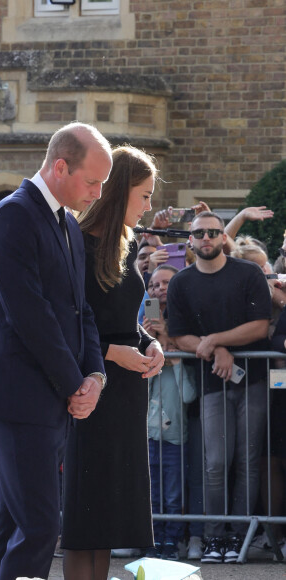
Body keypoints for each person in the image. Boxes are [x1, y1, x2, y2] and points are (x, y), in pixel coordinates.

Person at [0, 122, 110, 580]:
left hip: (53, 396)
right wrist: (76, 382)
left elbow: (82, 312)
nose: (96, 193)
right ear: (60, 166)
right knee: (37, 526)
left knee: (14, 523)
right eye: (91, 182)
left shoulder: (69, 224)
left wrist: (95, 377)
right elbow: (27, 315)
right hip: (22, 397)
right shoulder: (13, 214)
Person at [61, 145, 164, 579]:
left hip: (125, 391)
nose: (148, 206)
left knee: (108, 516)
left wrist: (148, 344)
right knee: (86, 514)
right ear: (119, 191)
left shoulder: (124, 243)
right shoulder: (76, 245)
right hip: (90, 385)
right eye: (143, 195)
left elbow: (122, 319)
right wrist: (112, 352)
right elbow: (67, 324)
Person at [167, 211, 272, 564]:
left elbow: (260, 327)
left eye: (214, 232)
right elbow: (179, 336)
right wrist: (220, 349)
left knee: (247, 462)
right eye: (200, 233)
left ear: (221, 237)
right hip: (211, 382)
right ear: (191, 241)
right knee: (215, 463)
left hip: (253, 379)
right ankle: (214, 538)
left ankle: (239, 536)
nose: (207, 238)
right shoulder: (181, 282)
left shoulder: (248, 273)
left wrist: (213, 339)